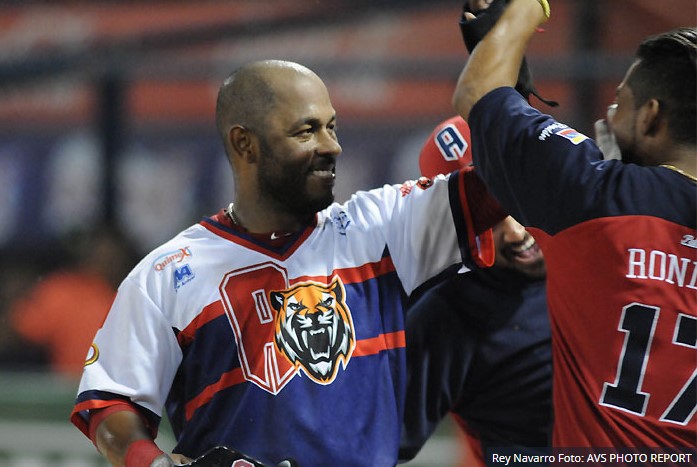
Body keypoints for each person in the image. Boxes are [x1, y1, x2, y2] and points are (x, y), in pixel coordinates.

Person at [70, 59, 508, 467]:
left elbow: (507, 180)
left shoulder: (380, 228)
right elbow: (111, 403)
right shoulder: (167, 274)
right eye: (306, 131)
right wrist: (157, 464)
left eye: (332, 127)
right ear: (245, 144)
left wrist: (510, 37)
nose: (331, 146)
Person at [452, 0, 696, 448]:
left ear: (652, 116)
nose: (608, 115)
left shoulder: (592, 193)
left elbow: (478, 95)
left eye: (619, 102)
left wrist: (526, 9)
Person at [399, 115, 552, 466]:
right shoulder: (445, 318)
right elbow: (372, 446)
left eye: (511, 200)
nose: (514, 232)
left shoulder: (597, 238)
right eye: (484, 216)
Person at [8, 225, 138, 377]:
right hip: (66, 391)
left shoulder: (136, 298)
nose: (107, 261)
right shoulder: (63, 292)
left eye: (113, 257)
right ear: (87, 257)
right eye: (101, 255)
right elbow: (19, 328)